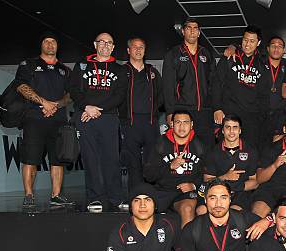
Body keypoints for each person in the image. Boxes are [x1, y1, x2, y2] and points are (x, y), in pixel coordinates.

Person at [68, 32, 128, 212]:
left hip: (108, 118)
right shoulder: (82, 65)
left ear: (113, 47)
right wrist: (87, 106)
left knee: (112, 158)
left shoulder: (120, 69)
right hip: (85, 117)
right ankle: (94, 198)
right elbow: (73, 90)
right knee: (91, 158)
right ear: (95, 45)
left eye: (109, 42)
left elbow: (119, 96)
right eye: (101, 42)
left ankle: (116, 197)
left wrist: (95, 109)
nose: (105, 45)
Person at [15, 32, 74, 209]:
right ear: (41, 45)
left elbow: (71, 95)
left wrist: (55, 105)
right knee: (30, 159)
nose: (50, 44)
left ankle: (55, 196)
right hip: (34, 119)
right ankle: (29, 195)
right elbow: (21, 86)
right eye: (46, 41)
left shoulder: (65, 70)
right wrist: (43, 102)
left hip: (57, 120)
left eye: (53, 42)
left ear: (57, 46)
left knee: (57, 160)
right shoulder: (29, 64)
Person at [212, 25, 270, 153]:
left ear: (258, 43)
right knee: (226, 152)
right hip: (230, 114)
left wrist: (260, 117)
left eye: (252, 41)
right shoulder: (229, 58)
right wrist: (217, 108)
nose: (247, 44)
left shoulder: (262, 65)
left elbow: (264, 95)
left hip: (251, 119)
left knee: (249, 153)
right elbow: (216, 84)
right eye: (245, 40)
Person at [143, 110, 205, 227]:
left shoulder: (199, 146)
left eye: (185, 122)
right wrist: (169, 166)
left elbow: (207, 176)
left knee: (187, 208)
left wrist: (194, 185)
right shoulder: (161, 144)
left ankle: (186, 245)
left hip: (185, 193)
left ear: (192, 125)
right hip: (163, 191)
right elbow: (148, 175)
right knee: (143, 209)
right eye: (178, 122)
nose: (182, 126)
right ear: (172, 124)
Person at [162, 18, 216, 149]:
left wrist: (215, 107)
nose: (192, 31)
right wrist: (170, 112)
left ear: (199, 33)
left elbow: (213, 83)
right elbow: (168, 85)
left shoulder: (206, 54)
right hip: (183, 111)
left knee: (207, 149)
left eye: (195, 28)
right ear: (183, 31)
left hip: (205, 111)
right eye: (188, 28)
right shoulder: (173, 54)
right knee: (186, 150)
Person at [119, 37, 163, 190]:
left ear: (145, 50)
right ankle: (135, 196)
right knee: (133, 163)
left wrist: (154, 112)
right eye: (135, 47)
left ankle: (152, 195)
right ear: (128, 50)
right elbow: (116, 97)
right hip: (130, 123)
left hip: (150, 122)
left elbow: (161, 96)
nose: (138, 50)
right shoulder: (122, 72)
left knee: (151, 161)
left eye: (141, 47)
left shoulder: (152, 72)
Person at [203, 115, 259, 210]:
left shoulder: (251, 151)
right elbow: (207, 180)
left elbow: (255, 182)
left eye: (235, 127)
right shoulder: (212, 152)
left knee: (234, 212)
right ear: (222, 131)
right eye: (228, 127)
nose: (231, 131)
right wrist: (225, 177)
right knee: (202, 210)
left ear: (240, 130)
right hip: (218, 191)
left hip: (241, 193)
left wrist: (236, 187)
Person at [265, 36, 286, 143]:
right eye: (273, 46)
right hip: (260, 113)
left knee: (277, 147)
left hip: (280, 115)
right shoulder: (259, 63)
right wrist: (233, 47)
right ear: (267, 48)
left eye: (280, 46)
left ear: (284, 51)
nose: (276, 49)